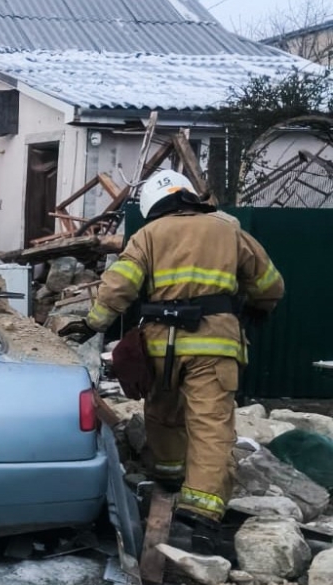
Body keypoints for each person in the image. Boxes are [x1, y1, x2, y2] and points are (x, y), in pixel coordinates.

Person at [60, 169, 284, 552]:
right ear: (190, 196)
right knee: (210, 426)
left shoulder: (148, 235)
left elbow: (119, 286)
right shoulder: (228, 229)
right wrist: (258, 309)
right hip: (215, 347)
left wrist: (92, 323)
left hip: (163, 344)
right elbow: (269, 284)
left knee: (162, 410)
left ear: (154, 207)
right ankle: (200, 515)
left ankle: (167, 479)